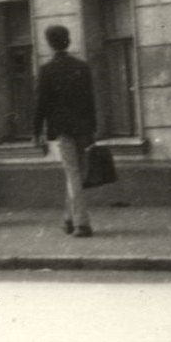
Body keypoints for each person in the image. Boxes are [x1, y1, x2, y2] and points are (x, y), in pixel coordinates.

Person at [30, 24, 100, 238]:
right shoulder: (82, 67)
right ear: (68, 40)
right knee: (76, 173)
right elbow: (90, 100)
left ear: (50, 44)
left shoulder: (46, 70)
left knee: (73, 174)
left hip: (63, 130)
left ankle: (82, 224)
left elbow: (41, 104)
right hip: (83, 128)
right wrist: (92, 128)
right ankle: (69, 219)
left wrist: (36, 131)